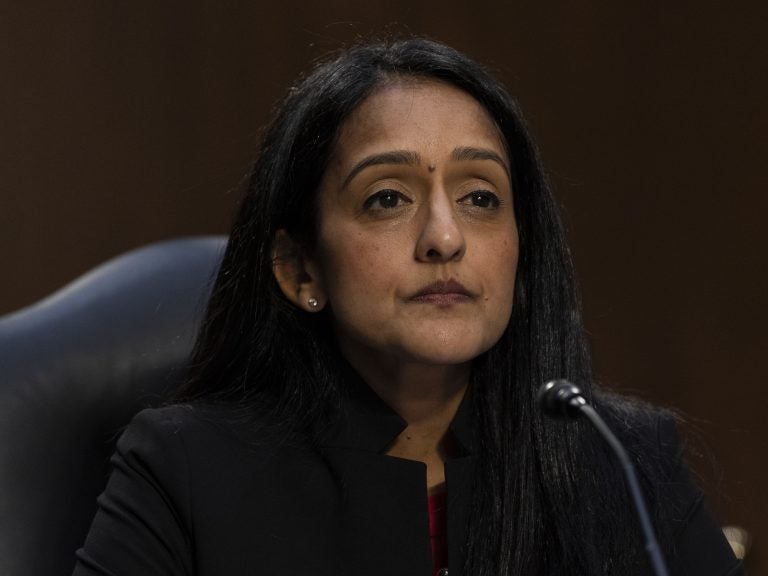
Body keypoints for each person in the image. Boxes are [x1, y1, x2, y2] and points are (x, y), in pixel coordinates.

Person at [73, 38, 743, 576]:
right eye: (387, 198)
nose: (445, 238)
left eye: (480, 197)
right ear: (300, 267)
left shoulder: (621, 460)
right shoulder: (187, 470)